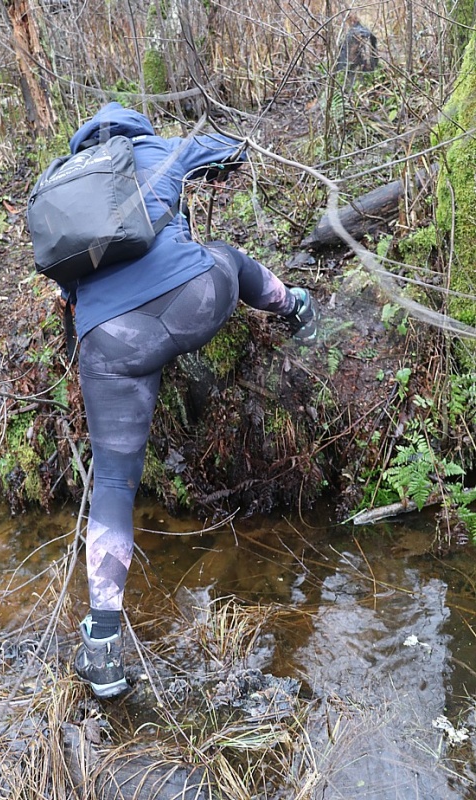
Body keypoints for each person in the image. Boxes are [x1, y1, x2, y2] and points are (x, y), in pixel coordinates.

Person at [53, 102, 318, 699]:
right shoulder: (160, 149)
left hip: (112, 345)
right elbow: (234, 147)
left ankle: (102, 648)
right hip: (191, 301)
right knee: (227, 254)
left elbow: (68, 292)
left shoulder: (64, 193)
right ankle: (294, 305)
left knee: (114, 488)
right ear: (136, 131)